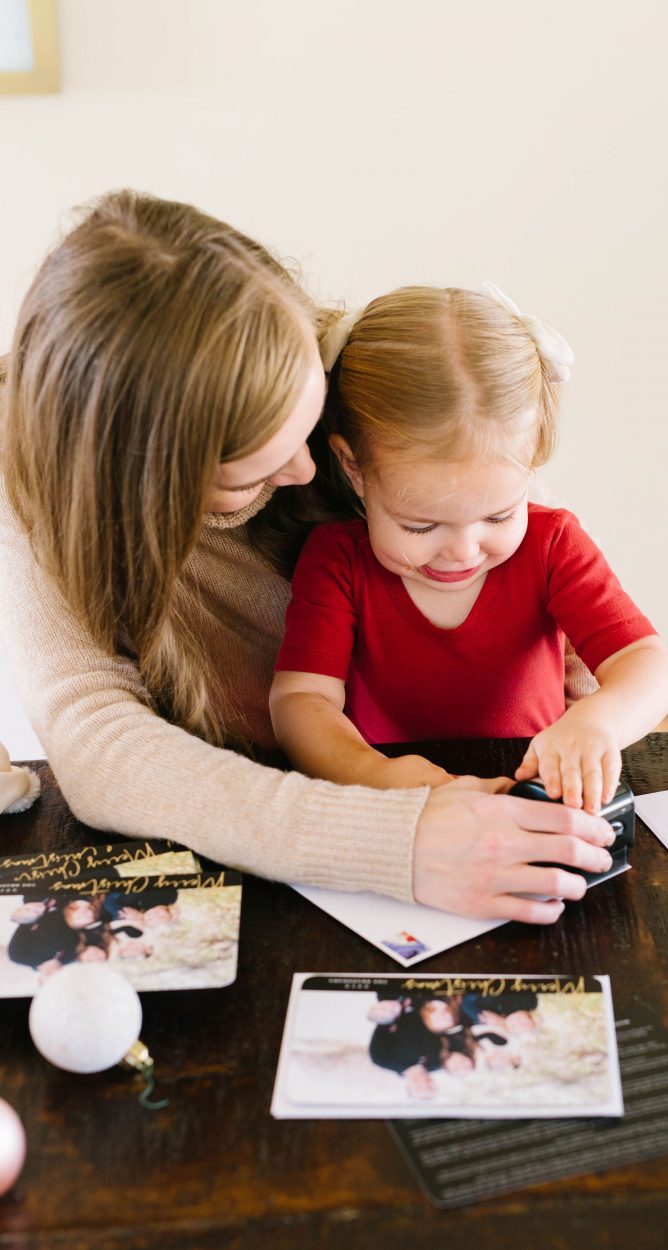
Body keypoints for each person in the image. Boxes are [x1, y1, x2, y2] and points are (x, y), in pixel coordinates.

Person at [0, 192, 617, 922]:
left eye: (311, 418)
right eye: (247, 472)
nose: (302, 469)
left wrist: (580, 687)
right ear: (139, 483)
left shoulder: (341, 356)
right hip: (270, 826)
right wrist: (391, 839)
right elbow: (100, 746)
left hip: (472, 770)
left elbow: (496, 503)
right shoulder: (37, 473)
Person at [269, 284, 668, 814]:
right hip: (398, 810)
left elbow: (646, 662)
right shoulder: (337, 561)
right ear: (353, 469)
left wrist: (594, 723)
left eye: (498, 515)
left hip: (536, 796)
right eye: (420, 525)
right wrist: (375, 774)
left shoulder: (553, 544)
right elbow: (301, 702)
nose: (463, 551)